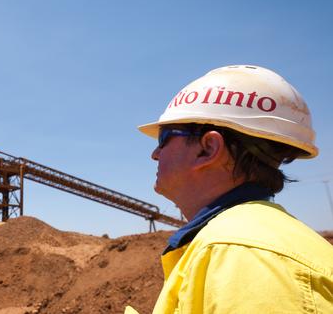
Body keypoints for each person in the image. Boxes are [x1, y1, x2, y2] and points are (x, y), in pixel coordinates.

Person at [126, 65, 333, 313]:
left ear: (208, 148)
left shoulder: (244, 257)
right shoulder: (247, 245)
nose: (155, 154)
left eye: (164, 139)